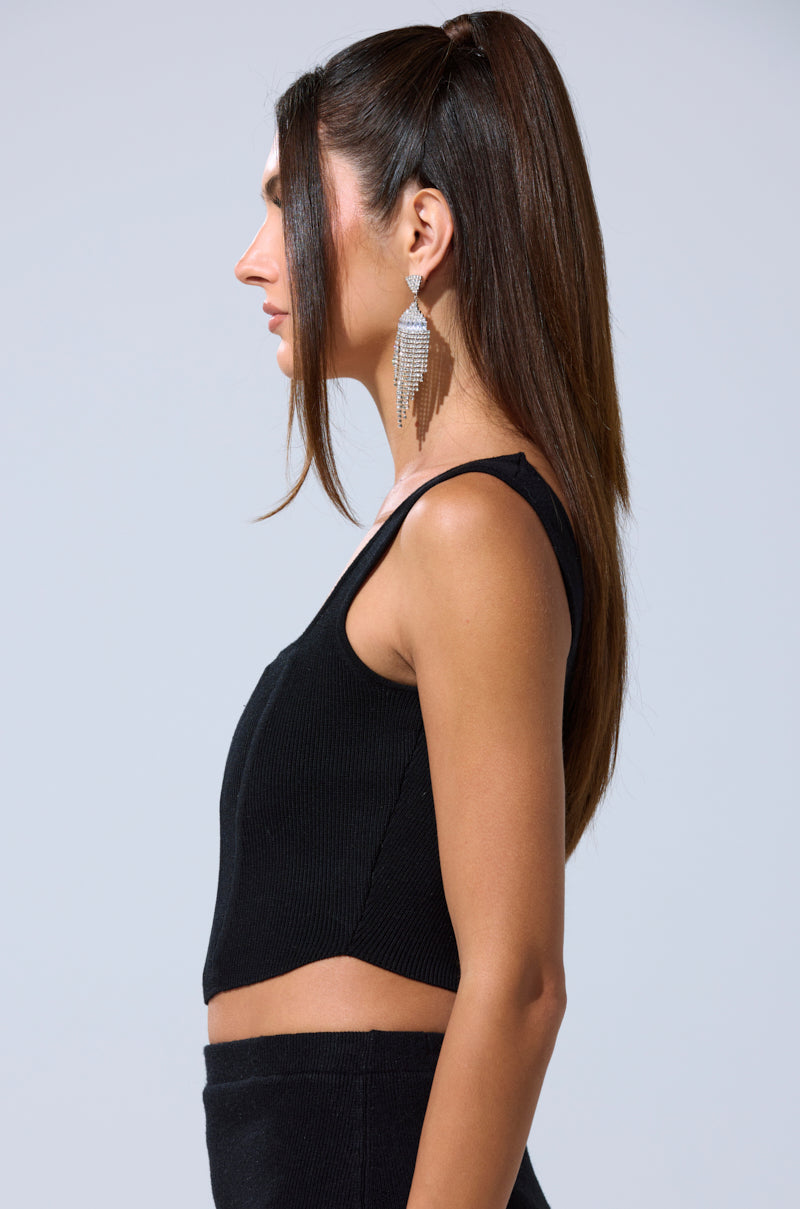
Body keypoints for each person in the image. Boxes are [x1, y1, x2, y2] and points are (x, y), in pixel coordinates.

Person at [201, 10, 629, 1209]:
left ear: (421, 231)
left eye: (287, 205)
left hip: (372, 1155)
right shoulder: (434, 522)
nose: (251, 260)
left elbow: (520, 982)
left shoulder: (469, 527)